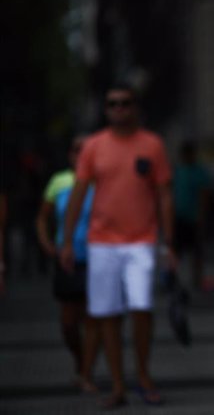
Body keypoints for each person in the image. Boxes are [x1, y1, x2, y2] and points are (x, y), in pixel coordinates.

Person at [60, 85, 175, 409]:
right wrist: (67, 241)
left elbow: (165, 194)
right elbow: (79, 193)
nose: (119, 109)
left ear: (135, 107)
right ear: (106, 109)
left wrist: (169, 243)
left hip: (141, 241)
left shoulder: (152, 144)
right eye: (112, 104)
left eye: (125, 103)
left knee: (141, 308)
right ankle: (118, 386)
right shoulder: (94, 146)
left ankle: (143, 376)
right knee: (107, 314)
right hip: (101, 244)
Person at [35, 136, 100, 393]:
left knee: (94, 318)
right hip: (68, 258)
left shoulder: (101, 179)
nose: (80, 154)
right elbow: (42, 218)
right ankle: (80, 360)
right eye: (76, 149)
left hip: (98, 255)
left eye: (85, 150)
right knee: (69, 322)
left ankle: (86, 373)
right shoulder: (59, 181)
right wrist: (47, 244)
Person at [172, 139, 210, 290]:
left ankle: (197, 280)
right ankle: (173, 279)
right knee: (177, 251)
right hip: (179, 217)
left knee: (197, 251)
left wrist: (202, 217)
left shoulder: (199, 171)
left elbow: (204, 195)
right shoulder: (177, 171)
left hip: (194, 218)